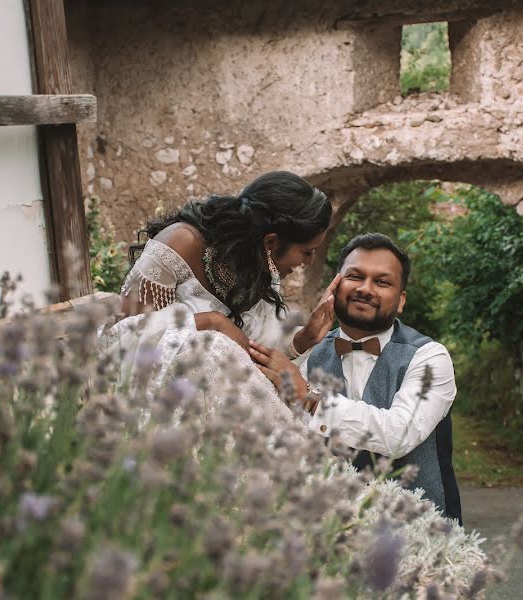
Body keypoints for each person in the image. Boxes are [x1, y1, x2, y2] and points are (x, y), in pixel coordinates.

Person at [250, 233, 462, 523]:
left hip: (419, 534)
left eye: (382, 282)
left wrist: (312, 400)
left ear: (401, 301)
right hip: (325, 532)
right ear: (335, 285)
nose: (365, 288)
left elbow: (398, 434)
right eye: (354, 276)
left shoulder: (429, 357)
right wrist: (302, 344)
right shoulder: (306, 349)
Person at [100, 171, 339, 424]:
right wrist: (210, 322)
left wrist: (304, 339)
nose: (309, 261)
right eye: (307, 252)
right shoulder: (180, 243)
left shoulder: (260, 264)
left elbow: (248, 349)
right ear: (271, 241)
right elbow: (125, 339)